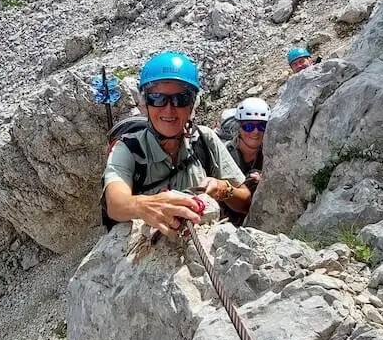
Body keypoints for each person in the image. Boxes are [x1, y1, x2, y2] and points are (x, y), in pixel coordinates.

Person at [103, 51, 252, 236]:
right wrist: (145, 205)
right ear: (145, 104)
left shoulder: (204, 139)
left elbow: (245, 200)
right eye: (157, 99)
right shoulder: (129, 148)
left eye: (180, 99)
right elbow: (115, 204)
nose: (169, 109)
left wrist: (225, 189)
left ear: (192, 105)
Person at [224, 97, 270, 194]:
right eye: (249, 127)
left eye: (262, 126)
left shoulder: (271, 153)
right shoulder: (225, 155)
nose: (255, 132)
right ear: (239, 128)